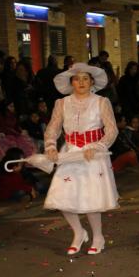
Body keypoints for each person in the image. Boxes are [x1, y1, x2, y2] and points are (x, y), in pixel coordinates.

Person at [44, 62, 118, 255]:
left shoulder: (101, 102)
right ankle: (78, 232)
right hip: (69, 153)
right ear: (71, 83)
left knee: (90, 198)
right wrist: (51, 146)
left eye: (85, 78)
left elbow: (111, 129)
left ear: (92, 81)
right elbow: (53, 127)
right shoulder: (62, 103)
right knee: (62, 196)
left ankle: (98, 236)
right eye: (77, 79)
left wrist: (97, 146)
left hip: (92, 154)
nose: (81, 82)